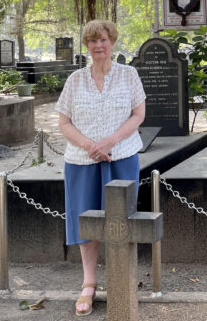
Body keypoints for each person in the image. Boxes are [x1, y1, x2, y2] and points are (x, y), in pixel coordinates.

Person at [55, 19, 146, 316]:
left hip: (122, 157)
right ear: (87, 45)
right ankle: (89, 283)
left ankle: (122, 280)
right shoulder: (75, 80)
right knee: (87, 223)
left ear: (112, 42)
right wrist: (88, 146)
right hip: (82, 162)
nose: (98, 45)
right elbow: (64, 122)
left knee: (122, 224)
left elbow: (138, 115)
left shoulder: (128, 75)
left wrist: (109, 142)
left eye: (104, 40)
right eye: (93, 41)